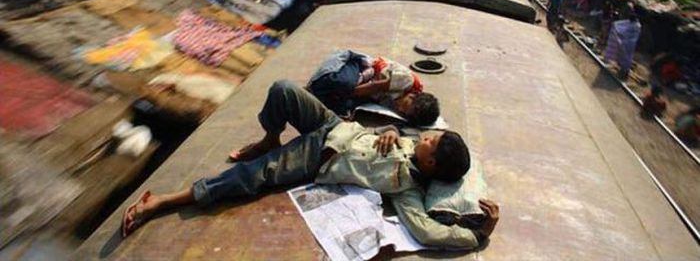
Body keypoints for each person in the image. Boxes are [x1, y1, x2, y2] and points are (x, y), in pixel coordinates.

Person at [122, 81, 500, 250]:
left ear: (431, 163)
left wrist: (479, 235)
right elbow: (386, 131)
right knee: (283, 90)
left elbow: (427, 233)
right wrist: (386, 128)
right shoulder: (407, 142)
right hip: (332, 126)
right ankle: (270, 137)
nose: (424, 136)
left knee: (252, 176)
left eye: (430, 141)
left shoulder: (406, 189)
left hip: (317, 158)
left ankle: (166, 200)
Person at [306, 49, 440, 126]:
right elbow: (375, 87)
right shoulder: (407, 81)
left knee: (343, 106)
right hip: (362, 68)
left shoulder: (402, 103)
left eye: (403, 113)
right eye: (404, 107)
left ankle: (317, 96)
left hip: (364, 87)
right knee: (343, 83)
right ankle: (315, 88)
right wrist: (347, 93)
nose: (399, 109)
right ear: (412, 96)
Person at [604, 13, 642, 79]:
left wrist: (616, 29)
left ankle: (623, 73)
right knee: (626, 57)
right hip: (630, 44)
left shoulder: (633, 26)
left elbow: (623, 30)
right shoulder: (637, 25)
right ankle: (623, 71)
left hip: (628, 43)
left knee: (625, 58)